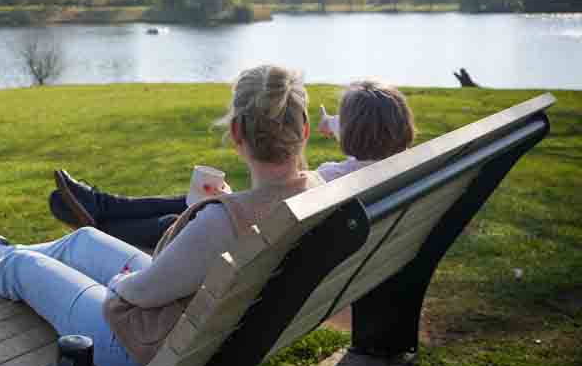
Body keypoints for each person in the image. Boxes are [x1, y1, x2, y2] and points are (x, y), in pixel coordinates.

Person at [0, 64, 322, 366]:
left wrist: (120, 283)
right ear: (303, 130)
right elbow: (201, 255)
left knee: (25, 271)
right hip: (206, 334)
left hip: (141, 354)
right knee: (83, 239)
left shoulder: (223, 222)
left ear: (236, 133)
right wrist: (214, 207)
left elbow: (141, 291)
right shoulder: (317, 195)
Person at [50, 79, 416, 250]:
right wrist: (331, 123)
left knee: (183, 216)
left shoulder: (333, 179)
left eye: (342, 121)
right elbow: (359, 133)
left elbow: (272, 210)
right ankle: (100, 206)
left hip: (255, 243)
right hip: (286, 234)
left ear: (356, 133)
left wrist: (229, 202)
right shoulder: (398, 167)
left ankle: (99, 226)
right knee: (191, 202)